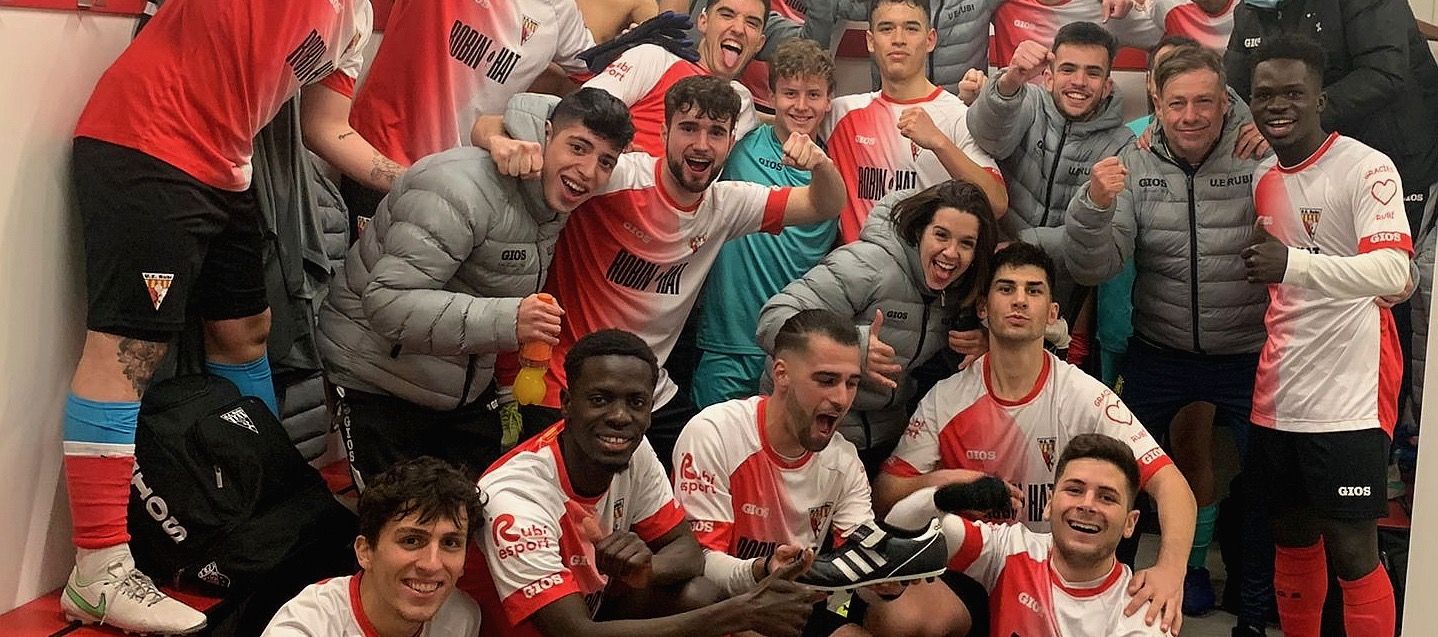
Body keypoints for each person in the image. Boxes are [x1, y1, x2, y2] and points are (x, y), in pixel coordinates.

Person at [62, 1, 372, 632]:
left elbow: (327, 124)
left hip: (227, 169)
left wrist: (415, 178)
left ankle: (256, 507)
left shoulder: (357, 18)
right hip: (146, 145)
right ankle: (96, 569)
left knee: (245, 331)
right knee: (129, 352)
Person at [481, 75, 845, 470]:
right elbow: (496, 125)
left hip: (649, 388)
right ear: (664, 131)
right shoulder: (618, 176)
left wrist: (821, 164)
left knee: (707, 461)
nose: (702, 144)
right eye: (688, 128)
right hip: (566, 381)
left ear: (730, 142)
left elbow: (823, 205)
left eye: (716, 132)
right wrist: (499, 142)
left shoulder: (729, 204)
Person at [872, 243, 1197, 636]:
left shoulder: (1085, 396)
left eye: (1034, 290)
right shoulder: (948, 398)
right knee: (900, 615)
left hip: (1059, 568)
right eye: (1006, 289)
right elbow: (887, 495)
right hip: (976, 563)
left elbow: (1172, 484)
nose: (1020, 301)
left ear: (1052, 314)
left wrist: (1170, 570)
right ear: (983, 309)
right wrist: (949, 483)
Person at [317, 89, 634, 487]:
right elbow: (386, 303)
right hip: (376, 379)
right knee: (404, 526)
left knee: (484, 514)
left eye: (605, 161)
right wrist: (510, 320)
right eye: (578, 147)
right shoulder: (461, 188)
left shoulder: (550, 199)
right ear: (547, 133)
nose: (588, 171)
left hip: (459, 391)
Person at [1061, 44, 1271, 623]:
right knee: (1120, 480)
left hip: (1247, 351)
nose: (1192, 116)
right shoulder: (1136, 156)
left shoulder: (1257, 147)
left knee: (1263, 488)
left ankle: (1253, 617)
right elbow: (1096, 264)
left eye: (1206, 101)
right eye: (1177, 103)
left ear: (1225, 99)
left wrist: (1272, 138)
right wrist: (1093, 205)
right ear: (1156, 99)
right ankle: (1105, 613)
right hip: (1160, 349)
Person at [464, 329, 826, 637]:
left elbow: (687, 551)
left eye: (636, 402)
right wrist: (741, 612)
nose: (620, 417)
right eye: (600, 400)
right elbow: (575, 633)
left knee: (697, 593)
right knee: (712, 611)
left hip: (596, 615)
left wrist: (648, 568)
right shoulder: (514, 495)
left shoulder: (632, 450)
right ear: (567, 404)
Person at [1242, 35, 1414, 637]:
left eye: (1293, 92)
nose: (1277, 105)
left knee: (1352, 549)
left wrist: (1295, 264)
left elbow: (1398, 274)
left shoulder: (1367, 167)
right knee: (1291, 540)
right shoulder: (1263, 176)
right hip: (1278, 398)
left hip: (1349, 400)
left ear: (1320, 98)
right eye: (1265, 95)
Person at [757, 180, 998, 474]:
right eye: (941, 235)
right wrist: (852, 350)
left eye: (966, 244)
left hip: (881, 438)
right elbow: (774, 319)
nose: (950, 252)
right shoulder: (868, 264)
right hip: (809, 428)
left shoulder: (959, 290)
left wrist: (985, 343)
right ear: (920, 230)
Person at [675, 309, 877, 634]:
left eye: (851, 383)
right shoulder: (715, 432)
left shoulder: (844, 460)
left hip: (797, 605)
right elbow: (702, 564)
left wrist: (886, 582)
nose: (841, 398)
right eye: (826, 380)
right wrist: (764, 568)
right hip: (723, 604)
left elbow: (859, 564)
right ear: (781, 374)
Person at [315, 0, 597, 227]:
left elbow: (598, 77)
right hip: (378, 161)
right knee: (362, 286)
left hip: (461, 186)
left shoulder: (560, 11)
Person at [884, 433, 1174, 637]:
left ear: (1130, 523)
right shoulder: (1010, 549)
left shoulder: (1140, 613)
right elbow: (900, 528)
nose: (1087, 504)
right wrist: (944, 499)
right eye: (1074, 489)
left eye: (1107, 498)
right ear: (1049, 503)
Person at [692, 38, 838, 408]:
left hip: (792, 344)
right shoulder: (739, 142)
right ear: (771, 96)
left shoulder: (836, 165)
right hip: (726, 337)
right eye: (790, 92)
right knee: (712, 447)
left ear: (829, 100)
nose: (801, 105)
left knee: (779, 457)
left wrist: (820, 164)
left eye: (813, 94)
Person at [966, 22, 1135, 334]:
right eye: (1068, 69)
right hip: (986, 272)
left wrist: (1023, 245)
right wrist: (1009, 81)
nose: (1080, 82)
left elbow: (1105, 256)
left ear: (1107, 85)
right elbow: (988, 138)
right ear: (1048, 76)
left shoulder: (1124, 145)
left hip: (1060, 297)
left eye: (1093, 73)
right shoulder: (1026, 98)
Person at [821, 0, 1007, 244]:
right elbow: (783, 121)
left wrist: (940, 143)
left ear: (930, 40)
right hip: (859, 271)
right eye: (886, 28)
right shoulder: (840, 113)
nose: (898, 39)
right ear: (870, 40)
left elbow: (997, 203)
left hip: (928, 273)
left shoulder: (957, 115)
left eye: (911, 28)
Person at [262, 457, 484, 636]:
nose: (432, 564)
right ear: (365, 551)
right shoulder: (304, 629)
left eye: (450, 543)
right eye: (411, 541)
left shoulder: (462, 618)